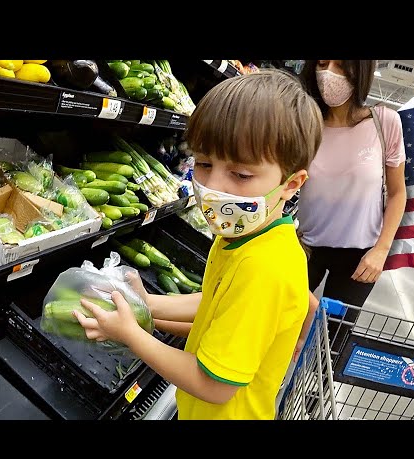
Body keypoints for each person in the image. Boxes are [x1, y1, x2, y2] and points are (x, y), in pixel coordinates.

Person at [73, 68, 324, 420]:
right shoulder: (246, 236)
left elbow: (214, 386)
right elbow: (214, 301)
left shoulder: (265, 267)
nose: (214, 187)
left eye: (240, 174)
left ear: (291, 184)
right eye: (204, 164)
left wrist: (132, 334)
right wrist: (149, 304)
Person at [295, 60, 407, 354]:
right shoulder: (303, 122)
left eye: (342, 65)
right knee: (284, 321)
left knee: (332, 338)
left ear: (361, 71)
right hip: (306, 247)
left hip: (360, 256)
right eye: (322, 63)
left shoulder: (385, 123)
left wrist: (381, 250)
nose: (329, 73)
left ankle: (309, 393)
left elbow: (397, 193)